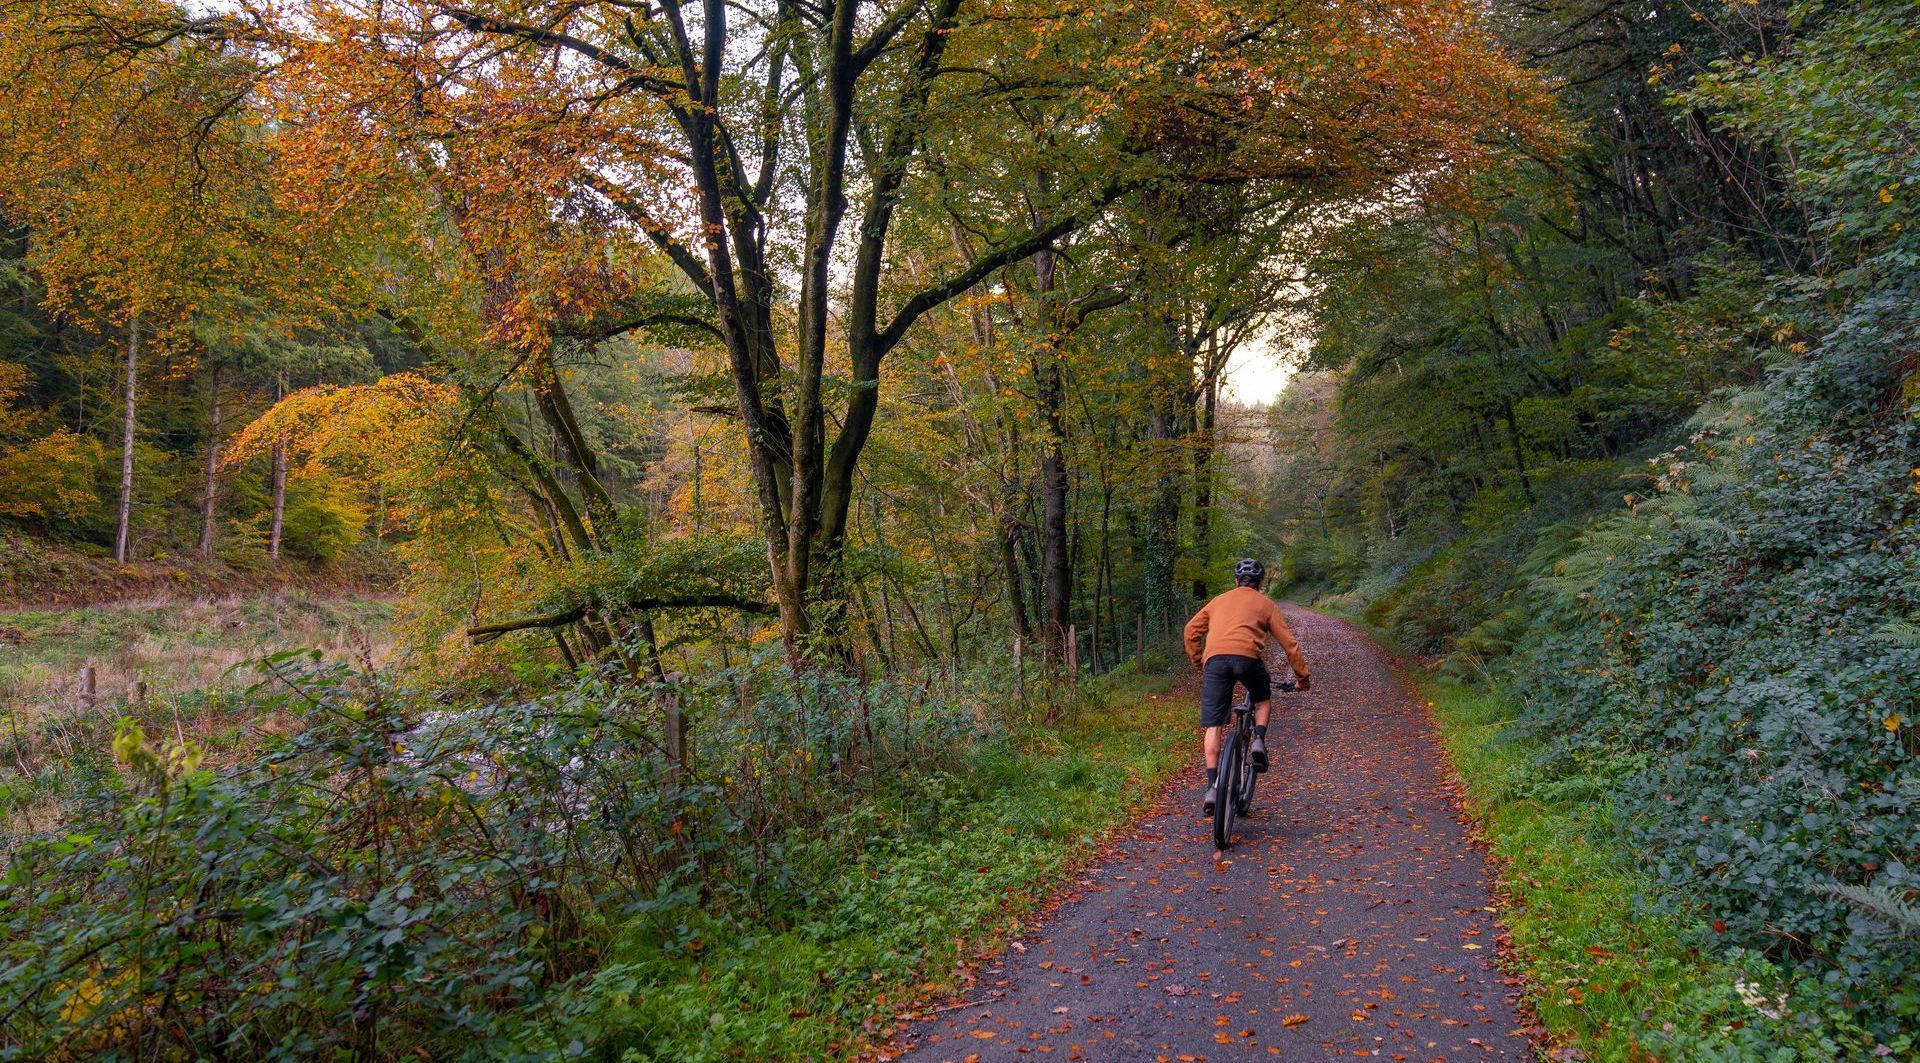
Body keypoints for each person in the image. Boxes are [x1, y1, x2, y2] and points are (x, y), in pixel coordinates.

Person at [1183, 557, 1311, 815]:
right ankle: (1258, 742)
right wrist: (1302, 678)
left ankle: (1212, 788)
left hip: (1215, 662)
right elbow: (1290, 644)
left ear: (1236, 581)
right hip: (1248, 660)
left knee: (1214, 725)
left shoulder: (1218, 601)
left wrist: (1199, 662)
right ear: (1259, 583)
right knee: (1262, 698)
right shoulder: (1266, 604)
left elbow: (1191, 631)